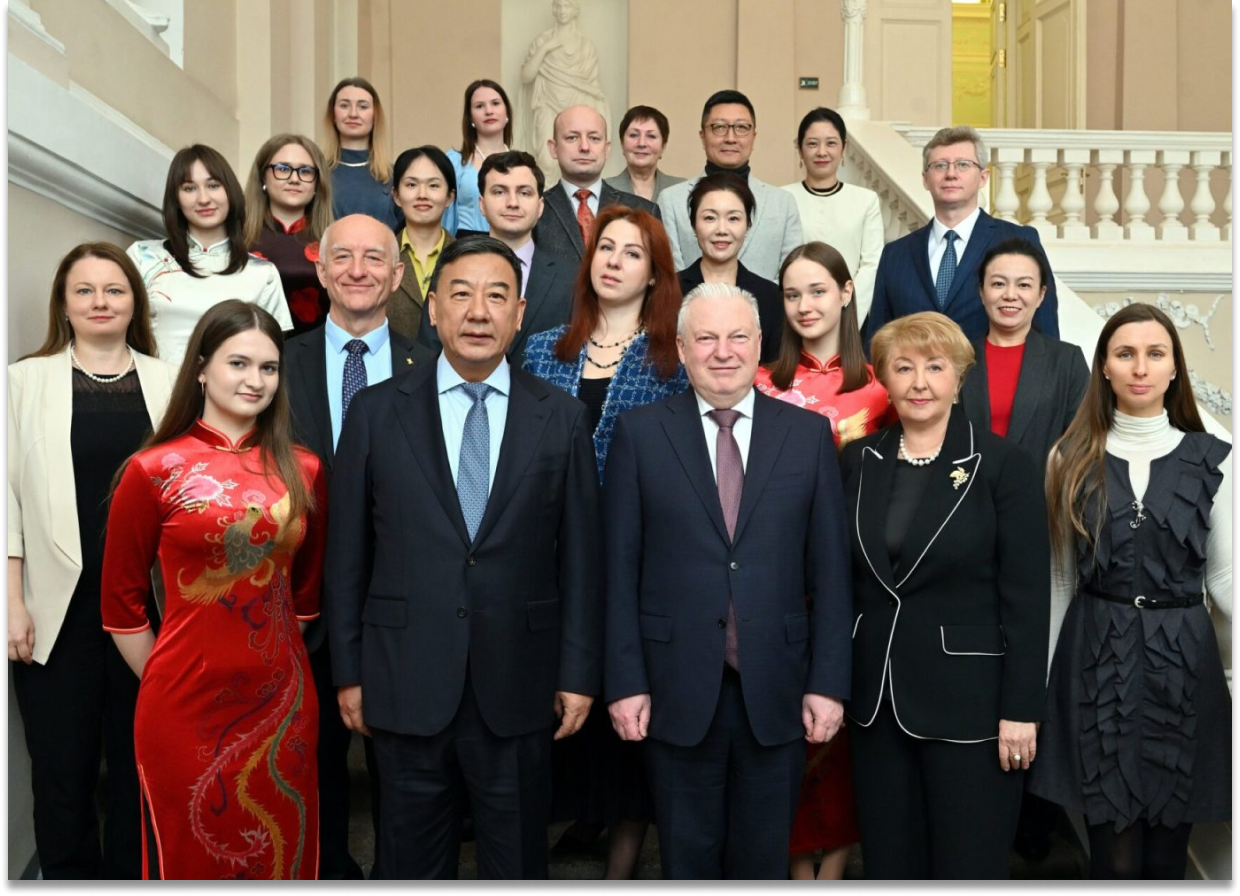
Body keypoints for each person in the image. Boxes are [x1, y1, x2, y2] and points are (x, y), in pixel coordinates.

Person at [325, 237, 603, 880]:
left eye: (497, 296)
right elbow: (347, 558)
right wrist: (349, 672)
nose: (479, 311)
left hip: (520, 683)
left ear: (519, 313)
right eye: (461, 294)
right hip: (404, 680)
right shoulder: (375, 412)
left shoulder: (560, 417)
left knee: (517, 863)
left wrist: (578, 672)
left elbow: (582, 562)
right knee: (409, 864)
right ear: (432, 308)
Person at [605, 282, 852, 880]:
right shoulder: (640, 434)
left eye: (738, 336)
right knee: (686, 861)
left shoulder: (807, 436)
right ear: (681, 349)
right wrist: (625, 682)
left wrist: (828, 683)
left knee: (763, 862)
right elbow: (618, 571)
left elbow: (831, 573)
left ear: (760, 344)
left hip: (778, 690)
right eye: (706, 338)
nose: (723, 351)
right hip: (672, 690)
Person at [101, 300, 328, 880]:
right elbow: (121, 608)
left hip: (281, 704)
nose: (255, 380)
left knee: (280, 850)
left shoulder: (303, 470)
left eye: (269, 368)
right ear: (201, 368)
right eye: (238, 363)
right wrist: (170, 677)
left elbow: (305, 598)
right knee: (188, 857)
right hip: (180, 706)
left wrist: (263, 664)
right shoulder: (152, 470)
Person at [838, 311, 1049, 880]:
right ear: (884, 379)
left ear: (959, 378)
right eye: (903, 367)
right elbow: (844, 581)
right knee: (889, 865)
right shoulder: (859, 460)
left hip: (972, 707)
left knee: (968, 865)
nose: (919, 382)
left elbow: (1028, 599)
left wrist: (1022, 710)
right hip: (876, 703)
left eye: (935, 367)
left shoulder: (1003, 465)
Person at [1029, 304, 1232, 881]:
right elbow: (1060, 580)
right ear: (1105, 367)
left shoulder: (1215, 461)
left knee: (1167, 858)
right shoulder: (1067, 458)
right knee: (1113, 861)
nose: (1140, 367)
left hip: (1183, 668)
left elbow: (1222, 580)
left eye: (1155, 353)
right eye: (1125, 354)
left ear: (1174, 368)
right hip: (1095, 662)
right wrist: (1038, 693)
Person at [522, 205, 687, 879]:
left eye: (632, 253)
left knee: (626, 721)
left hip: (636, 562)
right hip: (546, 561)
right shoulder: (542, 349)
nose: (614, 261)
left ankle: (620, 868)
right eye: (606, 248)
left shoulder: (673, 359)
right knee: (546, 714)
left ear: (654, 276)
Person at [7, 243, 176, 880]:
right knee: (62, 774)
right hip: (56, 613)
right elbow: (11, 499)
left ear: (135, 302)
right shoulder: (25, 381)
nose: (100, 302)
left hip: (148, 610)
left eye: (114, 289)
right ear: (64, 304)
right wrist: (13, 603)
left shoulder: (172, 380)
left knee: (141, 770)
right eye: (85, 290)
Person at [283, 214, 436, 880]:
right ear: (320, 271)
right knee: (311, 765)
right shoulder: (276, 361)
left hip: (402, 600)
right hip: (301, 596)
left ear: (397, 275)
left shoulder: (431, 367)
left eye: (374, 258)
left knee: (402, 772)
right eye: (342, 257)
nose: (357, 270)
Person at [754, 241, 892, 881]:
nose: (804, 305)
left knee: (841, 728)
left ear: (845, 292)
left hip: (857, 579)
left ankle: (833, 868)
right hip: (775, 578)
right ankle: (789, 865)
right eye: (791, 294)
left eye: (817, 291)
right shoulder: (760, 383)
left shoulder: (883, 388)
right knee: (782, 727)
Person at [866, 126, 1059, 349]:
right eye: (940, 165)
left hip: (996, 371)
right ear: (925, 179)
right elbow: (877, 341)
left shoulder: (1019, 240)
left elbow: (1046, 333)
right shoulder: (895, 255)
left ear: (983, 177)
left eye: (963, 165)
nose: (951, 173)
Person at [127, 145, 291, 367]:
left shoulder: (263, 273)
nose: (203, 199)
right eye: (189, 188)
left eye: (213, 185)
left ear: (230, 191)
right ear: (176, 198)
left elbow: (272, 356)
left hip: (236, 388)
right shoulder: (143, 257)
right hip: (155, 385)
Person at [420, 151, 574, 363]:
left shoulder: (570, 277)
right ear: (482, 205)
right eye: (500, 192)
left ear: (540, 207)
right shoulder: (452, 266)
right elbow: (429, 348)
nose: (512, 202)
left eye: (524, 193)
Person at [960, 237, 1089, 483]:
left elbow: (1083, 443)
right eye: (998, 284)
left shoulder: (1067, 361)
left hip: (1039, 497)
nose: (1010, 295)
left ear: (1041, 295)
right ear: (981, 291)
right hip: (967, 495)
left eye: (1024, 285)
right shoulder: (958, 360)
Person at [657, 90, 803, 280]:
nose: (731, 138)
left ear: (753, 136)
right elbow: (672, 275)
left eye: (741, 127)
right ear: (702, 136)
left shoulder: (783, 203)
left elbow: (792, 276)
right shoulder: (671, 200)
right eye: (719, 127)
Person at [781, 108, 884, 323]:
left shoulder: (866, 200)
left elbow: (871, 264)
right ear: (800, 150)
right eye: (812, 144)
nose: (822, 152)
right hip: (795, 313)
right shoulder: (782, 198)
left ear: (843, 148)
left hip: (850, 314)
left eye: (831, 143)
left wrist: (848, 310)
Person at [533, 105, 660, 263]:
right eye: (572, 138)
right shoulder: (535, 211)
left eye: (594, 138)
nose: (584, 147)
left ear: (606, 149)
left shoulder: (644, 211)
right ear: (553, 148)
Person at [677, 172, 783, 363]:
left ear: (747, 225)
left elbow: (774, 368)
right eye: (710, 218)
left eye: (733, 218)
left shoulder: (771, 297)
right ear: (694, 225)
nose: (722, 230)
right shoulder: (668, 290)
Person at [245, 133, 335, 334]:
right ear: (263, 176)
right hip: (249, 348)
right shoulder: (238, 237)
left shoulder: (336, 241)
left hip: (318, 348)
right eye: (283, 169)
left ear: (317, 182)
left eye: (305, 171)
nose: (294, 179)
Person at [518, 0, 612, 177]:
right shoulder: (542, 40)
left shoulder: (586, 46)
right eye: (558, 6)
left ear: (574, 9)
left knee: (579, 157)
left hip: (578, 106)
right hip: (547, 103)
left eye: (566, 6)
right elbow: (526, 76)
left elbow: (589, 86)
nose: (561, 10)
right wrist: (546, 48)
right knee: (546, 160)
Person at [388, 145, 456, 340]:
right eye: (411, 185)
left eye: (433, 185)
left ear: (449, 197)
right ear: (396, 196)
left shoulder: (465, 258)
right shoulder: (380, 257)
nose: (422, 194)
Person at [324, 76, 402, 230]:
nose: (353, 114)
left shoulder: (395, 176)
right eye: (344, 105)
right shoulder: (316, 173)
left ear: (375, 116)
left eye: (363, 106)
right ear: (333, 115)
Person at [445, 79, 514, 238]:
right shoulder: (454, 162)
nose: (489, 111)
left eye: (495, 103)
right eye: (479, 106)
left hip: (510, 242)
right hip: (465, 242)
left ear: (507, 112)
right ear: (470, 117)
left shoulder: (522, 164)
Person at [605, 105, 685, 202]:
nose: (641, 143)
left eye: (651, 136)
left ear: (663, 146)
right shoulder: (604, 189)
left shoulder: (681, 189)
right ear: (622, 143)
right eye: (633, 135)